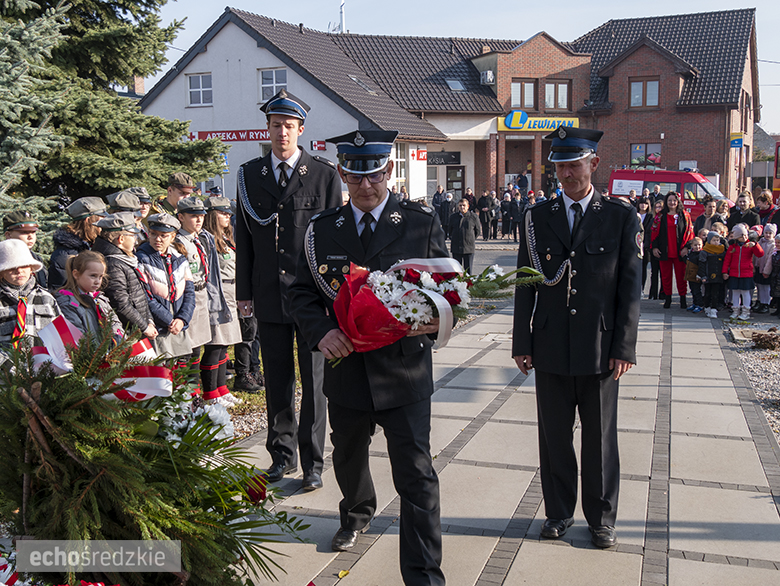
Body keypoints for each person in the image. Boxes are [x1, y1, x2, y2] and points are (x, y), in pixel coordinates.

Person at [288, 129, 447, 585]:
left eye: (374, 175)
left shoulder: (419, 222)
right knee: (348, 455)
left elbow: (448, 286)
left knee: (416, 475)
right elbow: (301, 293)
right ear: (342, 173)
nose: (366, 186)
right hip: (348, 369)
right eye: (355, 176)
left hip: (404, 370)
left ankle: (424, 574)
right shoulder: (323, 229)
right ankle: (356, 512)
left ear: (389, 171)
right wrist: (321, 332)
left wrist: (437, 316)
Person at [512, 126, 641, 550]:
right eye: (560, 167)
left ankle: (601, 518)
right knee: (554, 436)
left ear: (594, 164)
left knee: (599, 438)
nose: (566, 174)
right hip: (549, 344)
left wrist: (624, 347)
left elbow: (630, 289)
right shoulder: (537, 217)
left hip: (600, 348)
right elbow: (526, 284)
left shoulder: (620, 217)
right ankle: (558, 512)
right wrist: (521, 341)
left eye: (574, 165)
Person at [235, 89, 342, 491]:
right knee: (277, 380)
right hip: (268, 293)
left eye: (289, 126)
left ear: (301, 129)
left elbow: (334, 242)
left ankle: (313, 462)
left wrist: (334, 296)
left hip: (312, 298)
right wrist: (244, 293)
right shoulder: (250, 176)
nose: (282, 132)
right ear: (267, 128)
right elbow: (245, 240)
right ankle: (281, 456)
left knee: (314, 383)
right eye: (276, 125)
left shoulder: (324, 175)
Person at [176, 197, 233, 399]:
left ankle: (199, 392)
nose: (199, 219)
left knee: (201, 344)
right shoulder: (179, 241)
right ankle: (191, 393)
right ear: (181, 217)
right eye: (193, 216)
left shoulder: (202, 238)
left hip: (204, 293)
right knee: (190, 348)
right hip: (189, 295)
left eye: (201, 215)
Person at [135, 213, 195, 361]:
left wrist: (182, 319)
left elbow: (189, 292)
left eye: (163, 235)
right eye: (153, 234)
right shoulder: (142, 258)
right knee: (161, 366)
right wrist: (168, 320)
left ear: (173, 237)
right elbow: (145, 296)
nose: (158, 239)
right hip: (159, 325)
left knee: (179, 366)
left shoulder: (179, 258)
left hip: (178, 323)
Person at [91, 213, 157, 342]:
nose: (136, 240)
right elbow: (121, 304)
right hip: (127, 334)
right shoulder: (113, 264)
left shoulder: (123, 259)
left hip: (138, 328)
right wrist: (144, 327)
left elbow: (140, 295)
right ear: (121, 239)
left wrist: (149, 320)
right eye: (133, 236)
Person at [202, 196, 243, 404]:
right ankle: (210, 394)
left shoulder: (226, 237)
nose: (228, 216)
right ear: (211, 215)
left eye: (228, 213)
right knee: (215, 343)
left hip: (231, 291)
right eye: (222, 213)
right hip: (218, 292)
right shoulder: (207, 239)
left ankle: (221, 389)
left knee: (225, 343)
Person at [0, 239, 60, 367]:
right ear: (1, 272)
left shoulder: (46, 298)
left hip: (46, 369)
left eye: (24, 265)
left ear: (31, 267)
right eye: (11, 267)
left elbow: (61, 335)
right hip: (6, 374)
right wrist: (8, 368)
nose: (19, 271)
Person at [54, 250, 123, 340]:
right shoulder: (67, 302)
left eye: (100, 276)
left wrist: (119, 342)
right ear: (76, 274)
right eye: (93, 276)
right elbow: (78, 338)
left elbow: (116, 325)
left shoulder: (100, 299)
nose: (97, 281)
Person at [49, 197, 107, 291]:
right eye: (102, 220)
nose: (104, 225)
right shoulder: (65, 254)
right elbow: (59, 291)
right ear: (88, 220)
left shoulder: (94, 246)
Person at [651, 192, 694, 309]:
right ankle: (668, 298)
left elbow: (689, 232)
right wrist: (654, 247)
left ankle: (683, 298)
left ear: (678, 201)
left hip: (680, 251)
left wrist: (686, 247)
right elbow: (654, 232)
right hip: (664, 250)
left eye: (674, 200)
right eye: (669, 200)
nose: (672, 203)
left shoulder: (685, 215)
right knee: (665, 277)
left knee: (681, 277)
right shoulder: (660, 215)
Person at [3, 211, 47, 288]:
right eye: (24, 232)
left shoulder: (35, 258)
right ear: (8, 235)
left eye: (33, 232)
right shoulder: (2, 258)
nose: (30, 236)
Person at [699, 231, 727, 318]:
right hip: (708, 276)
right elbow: (702, 265)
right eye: (714, 240)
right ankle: (707, 307)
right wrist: (703, 275)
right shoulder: (705, 252)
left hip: (718, 276)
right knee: (707, 293)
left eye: (717, 240)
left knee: (715, 293)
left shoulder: (721, 251)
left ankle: (714, 309)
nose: (716, 242)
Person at [448, 198, 480, 272]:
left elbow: (477, 231)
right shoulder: (453, 217)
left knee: (468, 271)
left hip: (468, 248)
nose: (462, 207)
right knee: (457, 271)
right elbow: (450, 230)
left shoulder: (473, 217)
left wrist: (470, 239)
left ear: (468, 206)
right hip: (456, 247)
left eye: (464, 205)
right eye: (460, 205)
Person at [755, 223, 777, 314]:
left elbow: (769, 260)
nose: (767, 235)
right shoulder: (760, 242)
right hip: (758, 267)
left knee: (766, 287)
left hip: (766, 269)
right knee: (759, 286)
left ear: (773, 234)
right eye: (766, 232)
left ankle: (766, 303)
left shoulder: (772, 245)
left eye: (770, 233)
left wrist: (767, 271)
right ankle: (760, 301)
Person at [636, 196, 653, 294]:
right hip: (635, 244)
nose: (643, 205)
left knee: (643, 268)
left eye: (646, 203)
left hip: (646, 245)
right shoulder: (634, 214)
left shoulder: (651, 216)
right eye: (641, 203)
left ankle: (642, 288)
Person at [682, 237, 704, 313]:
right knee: (693, 290)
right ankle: (695, 303)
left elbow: (701, 266)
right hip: (691, 275)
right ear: (691, 246)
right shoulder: (691, 253)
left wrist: (699, 275)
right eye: (695, 245)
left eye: (699, 245)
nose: (697, 247)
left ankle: (700, 305)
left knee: (697, 291)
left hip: (697, 276)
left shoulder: (701, 254)